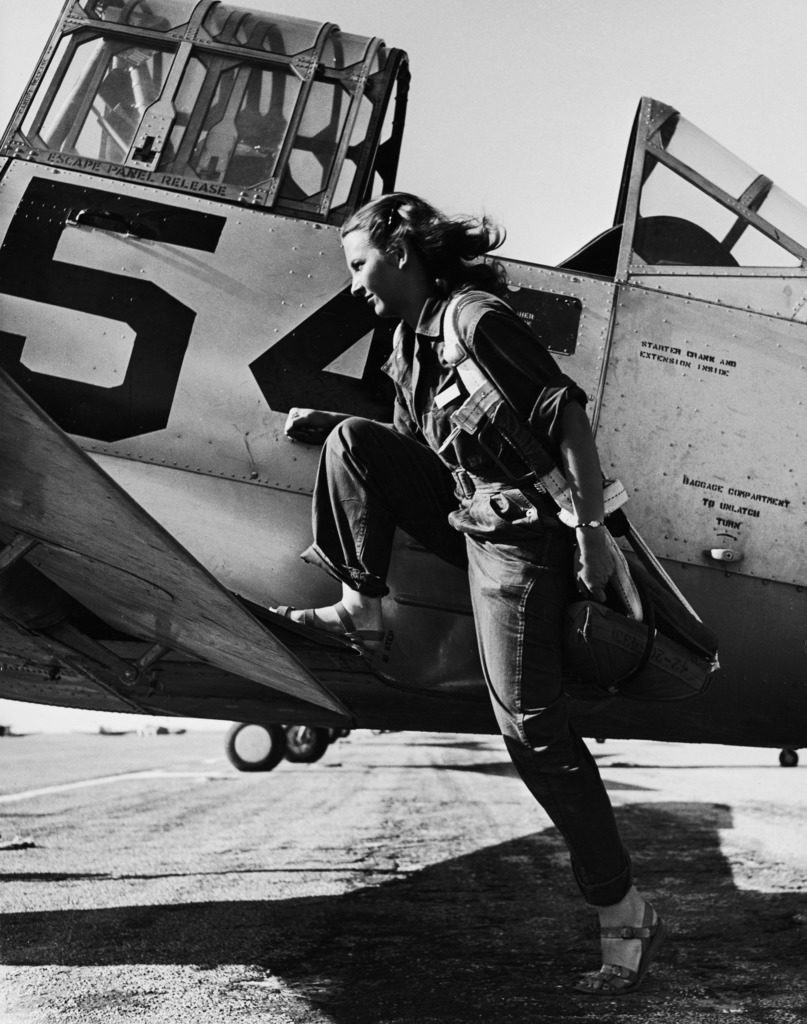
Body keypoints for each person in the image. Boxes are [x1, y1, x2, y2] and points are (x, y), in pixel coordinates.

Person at [275, 192, 666, 994]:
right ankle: (360, 608)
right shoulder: (401, 347)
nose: (354, 285)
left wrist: (590, 536)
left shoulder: (474, 319)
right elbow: (421, 454)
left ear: (402, 251)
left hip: (522, 538)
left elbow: (567, 418)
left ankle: (621, 905)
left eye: (360, 265)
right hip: (466, 511)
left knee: (529, 727)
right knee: (354, 440)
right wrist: (334, 432)